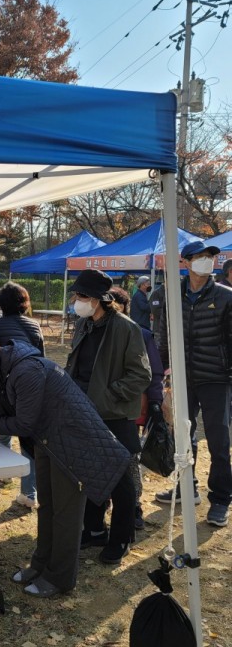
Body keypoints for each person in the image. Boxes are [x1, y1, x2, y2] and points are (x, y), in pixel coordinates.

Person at [0, 332, 130, 598]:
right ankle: (41, 564)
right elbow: (4, 410)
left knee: (66, 514)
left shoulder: (26, 370)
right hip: (48, 439)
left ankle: (60, 578)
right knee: (47, 506)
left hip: (73, 441)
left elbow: (23, 422)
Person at [65, 269, 151, 565]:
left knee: (121, 481)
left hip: (114, 415)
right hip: (85, 412)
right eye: (76, 295)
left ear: (100, 300)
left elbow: (141, 375)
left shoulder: (126, 328)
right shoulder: (83, 324)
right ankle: (94, 529)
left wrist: (107, 396)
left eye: (83, 296)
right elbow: (75, 365)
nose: (77, 300)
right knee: (91, 475)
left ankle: (122, 538)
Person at [156, 240, 232, 527]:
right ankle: (186, 486)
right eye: (199, 257)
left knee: (219, 439)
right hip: (182, 376)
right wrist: (165, 371)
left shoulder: (226, 297)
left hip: (216, 378)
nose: (205, 261)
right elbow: (163, 334)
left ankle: (221, 499)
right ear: (185, 262)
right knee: (183, 437)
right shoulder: (171, 295)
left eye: (209, 257)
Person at [0, 281, 44, 509]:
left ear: (0, 304)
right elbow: (42, 359)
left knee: (1, 427)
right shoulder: (34, 325)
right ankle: (29, 493)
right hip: (30, 387)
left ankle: (2, 472)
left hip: (3, 387)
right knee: (28, 442)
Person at [110, 286, 165, 530]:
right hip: (101, 409)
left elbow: (154, 372)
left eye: (115, 304)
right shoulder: (92, 331)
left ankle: (134, 508)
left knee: (129, 459)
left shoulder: (141, 334)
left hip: (132, 407)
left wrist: (154, 401)